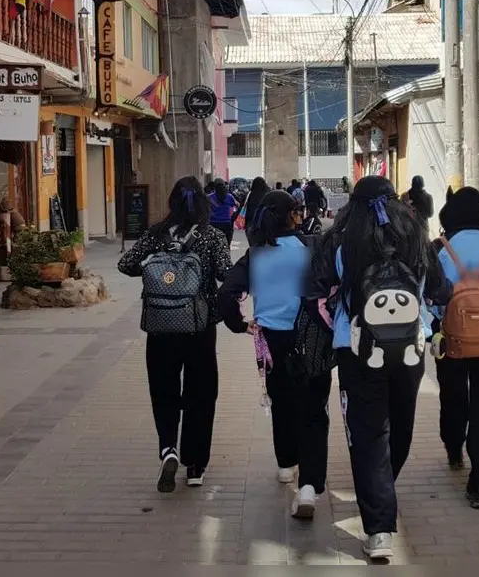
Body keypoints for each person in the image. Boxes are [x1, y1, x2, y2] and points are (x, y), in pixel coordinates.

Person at [309, 176, 450, 559]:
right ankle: (383, 489)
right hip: (409, 348)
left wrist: (339, 322)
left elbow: (315, 291)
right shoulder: (417, 237)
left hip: (356, 350)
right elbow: (441, 291)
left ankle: (378, 528)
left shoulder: (339, 241)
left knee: (368, 433)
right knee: (400, 424)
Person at [219, 191, 331, 519]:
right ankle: (310, 485)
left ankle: (286, 465)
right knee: (314, 410)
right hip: (311, 337)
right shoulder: (312, 249)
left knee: (282, 402)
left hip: (272, 341)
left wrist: (242, 325)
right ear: (292, 216)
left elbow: (227, 294)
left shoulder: (256, 255)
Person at [118, 176, 232, 493]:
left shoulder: (156, 234)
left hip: (160, 326)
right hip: (200, 328)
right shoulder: (211, 237)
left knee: (164, 390)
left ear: (172, 202)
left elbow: (125, 264)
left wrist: (157, 265)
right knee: (201, 394)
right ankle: (195, 466)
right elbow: (226, 273)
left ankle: (169, 447)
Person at [430, 187, 479, 509]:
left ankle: (453, 445)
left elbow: (431, 292)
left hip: (452, 337)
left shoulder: (442, 248)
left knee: (452, 395)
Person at [207, 178, 238, 246]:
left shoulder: (209, 197)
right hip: (226, 224)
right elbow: (236, 207)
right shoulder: (229, 197)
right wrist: (232, 218)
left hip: (213, 224)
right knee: (226, 246)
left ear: (214, 186)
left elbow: (205, 210)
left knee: (213, 246)